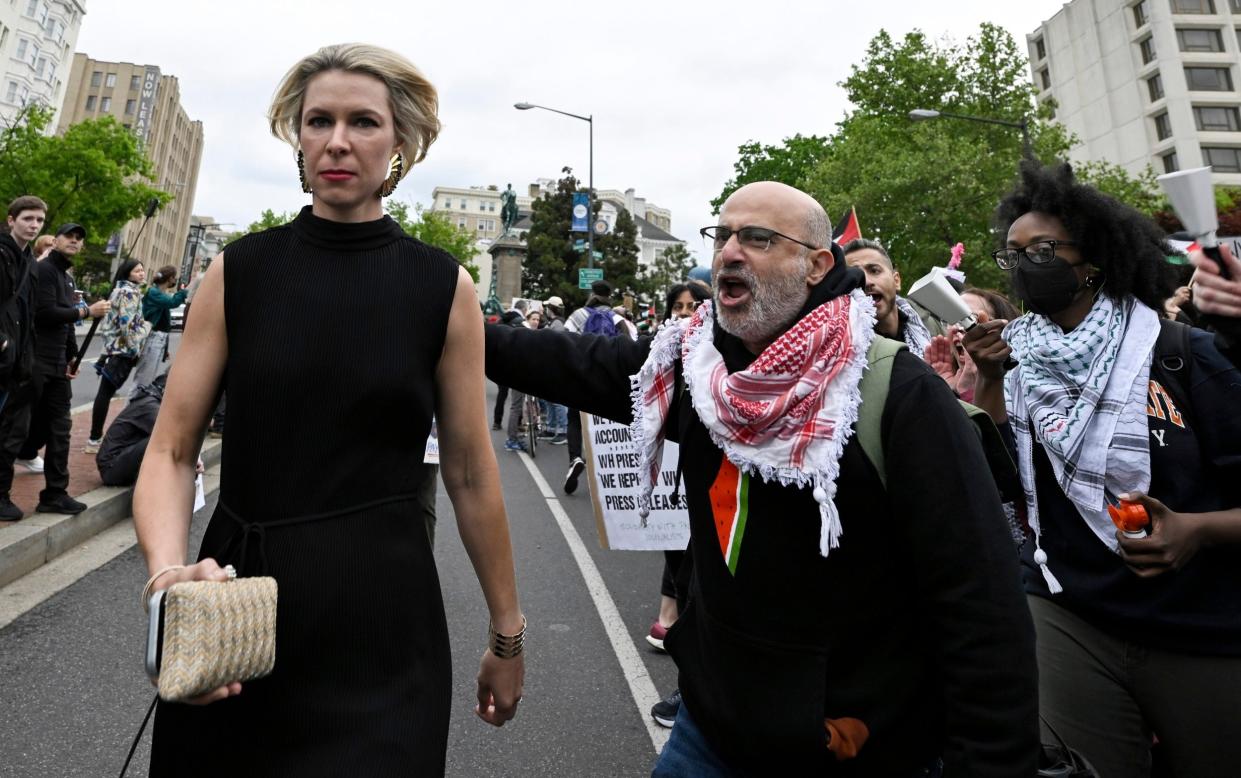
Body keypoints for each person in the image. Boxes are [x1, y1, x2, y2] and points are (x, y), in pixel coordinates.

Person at [487, 181, 1038, 775]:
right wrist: (458, 328)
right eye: (723, 235)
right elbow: (576, 365)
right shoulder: (698, 369)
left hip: (850, 746)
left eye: (757, 238)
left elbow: (980, 606)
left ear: (816, 266)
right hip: (710, 730)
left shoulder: (897, 394)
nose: (729, 251)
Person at [132, 43, 524, 776]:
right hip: (236, 613)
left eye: (363, 122)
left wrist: (507, 634)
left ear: (400, 143)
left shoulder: (444, 286)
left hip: (384, 623)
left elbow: (471, 474)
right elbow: (172, 450)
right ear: (297, 135)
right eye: (319, 120)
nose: (338, 140)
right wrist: (166, 576)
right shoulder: (238, 271)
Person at [964, 162, 1241, 778]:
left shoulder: (1181, 355)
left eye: (1042, 249)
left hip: (1199, 625)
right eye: (1012, 254)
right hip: (1069, 613)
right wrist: (987, 379)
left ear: (1092, 259)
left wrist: (1199, 530)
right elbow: (1010, 482)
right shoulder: (1021, 365)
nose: (1024, 264)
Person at [3, 223, 109, 517]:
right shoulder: (45, 270)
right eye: (69, 237)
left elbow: (65, 328)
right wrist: (87, 311)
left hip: (57, 367)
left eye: (79, 239)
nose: (74, 242)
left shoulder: (64, 276)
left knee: (60, 430)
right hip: (33, 362)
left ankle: (55, 494)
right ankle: (0, 494)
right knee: (16, 428)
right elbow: (45, 313)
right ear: (56, 240)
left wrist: (72, 357)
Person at [561, 280, 629, 493]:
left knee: (574, 420)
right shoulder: (617, 318)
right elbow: (629, 346)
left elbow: (563, 339)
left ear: (592, 293)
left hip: (580, 379)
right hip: (607, 383)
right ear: (610, 296)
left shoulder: (578, 315)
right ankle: (607, 472)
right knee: (604, 426)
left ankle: (575, 459)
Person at [86, 259, 149, 452]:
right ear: (127, 273)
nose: (142, 273)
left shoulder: (120, 290)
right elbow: (128, 327)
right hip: (121, 351)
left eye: (142, 270)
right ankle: (94, 438)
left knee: (105, 392)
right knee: (105, 393)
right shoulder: (128, 293)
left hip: (114, 350)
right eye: (137, 270)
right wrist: (147, 328)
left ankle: (95, 437)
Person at [842, 237, 944, 357]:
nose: (867, 282)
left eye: (874, 271)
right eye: (855, 276)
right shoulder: (845, 352)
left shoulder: (933, 327)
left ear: (896, 281)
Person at [131, 264, 187, 394]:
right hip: (152, 338)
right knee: (142, 381)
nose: (176, 280)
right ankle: (130, 410)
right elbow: (173, 302)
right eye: (174, 277)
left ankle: (136, 409)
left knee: (147, 380)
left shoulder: (160, 293)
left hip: (157, 340)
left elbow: (165, 324)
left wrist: (165, 348)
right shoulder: (154, 292)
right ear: (170, 278)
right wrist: (185, 291)